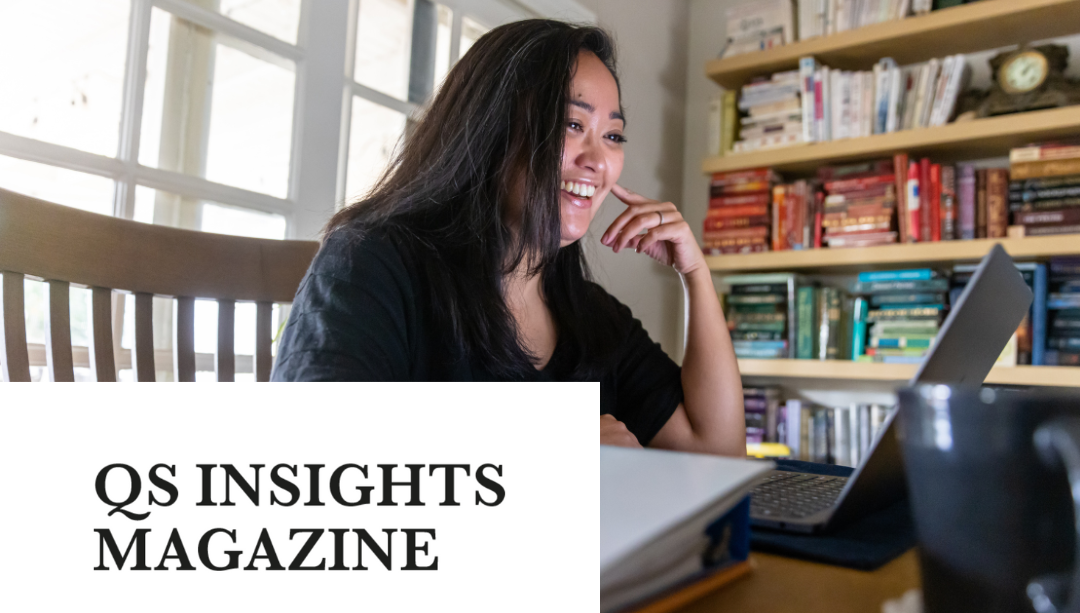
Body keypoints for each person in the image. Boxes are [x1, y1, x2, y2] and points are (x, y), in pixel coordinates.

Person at [272, 20, 743, 457]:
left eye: (614, 136)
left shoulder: (593, 317)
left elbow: (715, 455)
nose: (598, 160)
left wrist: (696, 275)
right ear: (490, 129)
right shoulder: (370, 260)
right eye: (572, 125)